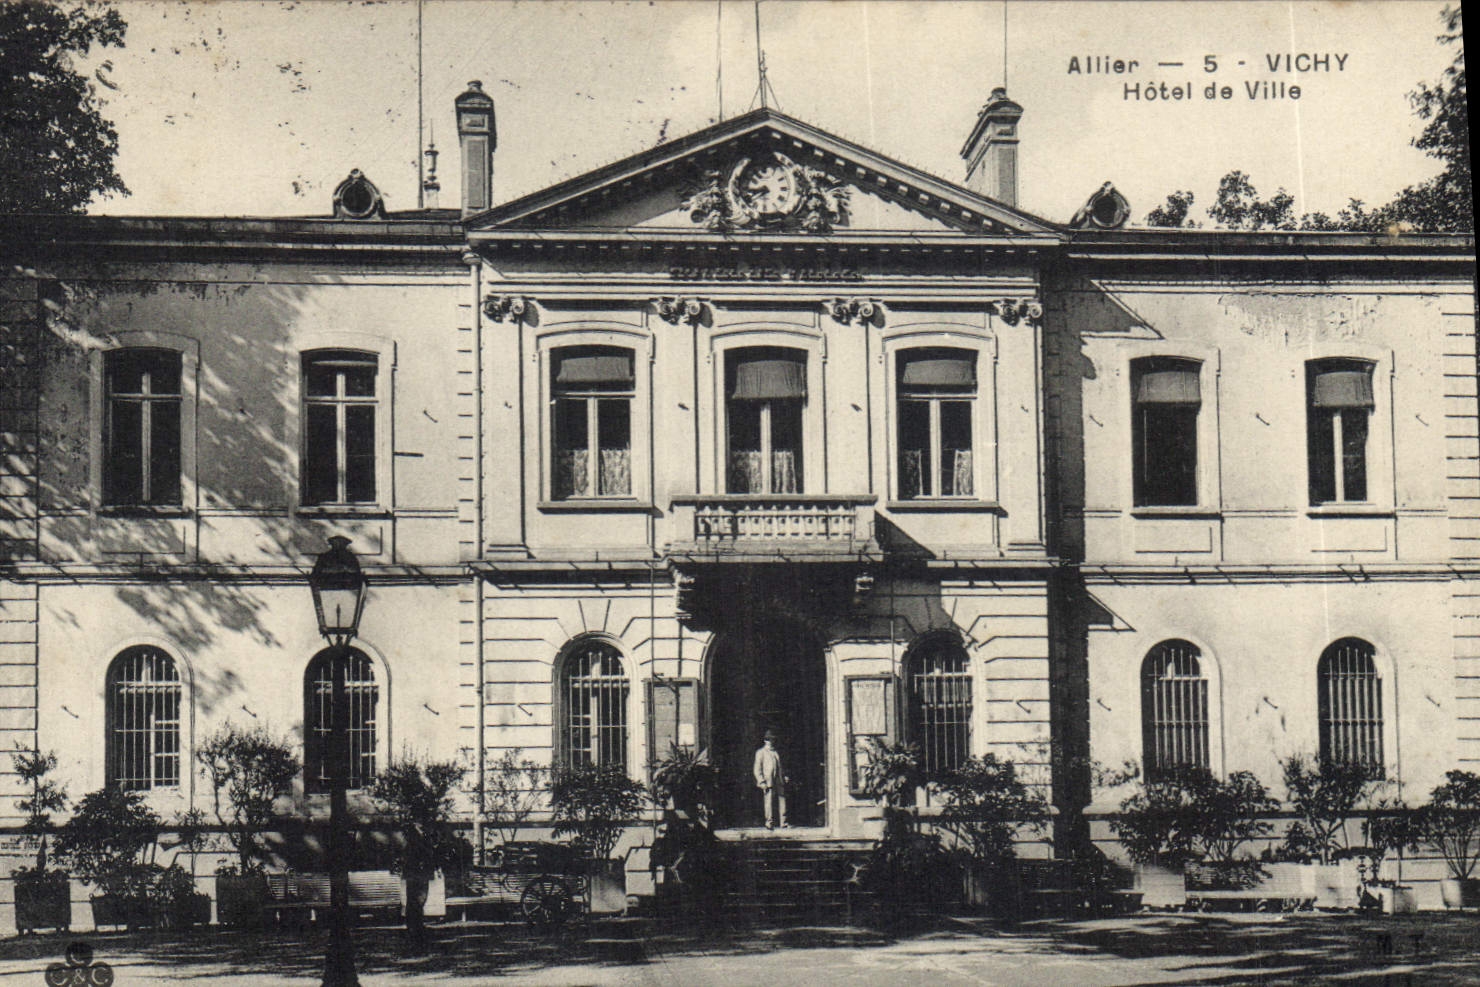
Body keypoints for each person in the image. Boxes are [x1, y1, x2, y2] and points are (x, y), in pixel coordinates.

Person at [752, 729, 788, 829]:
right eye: (769, 740)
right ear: (765, 741)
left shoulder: (776, 752)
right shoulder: (760, 752)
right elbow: (757, 769)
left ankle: (783, 822)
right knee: (768, 802)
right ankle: (769, 822)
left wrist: (784, 776)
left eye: (772, 740)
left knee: (782, 800)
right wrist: (761, 781)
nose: (771, 742)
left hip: (779, 780)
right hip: (768, 781)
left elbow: (781, 766)